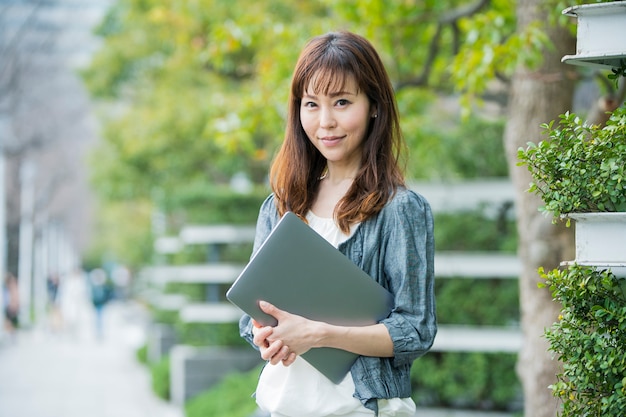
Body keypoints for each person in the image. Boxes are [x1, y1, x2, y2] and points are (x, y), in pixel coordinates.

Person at [238, 31, 436, 417]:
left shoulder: (400, 210)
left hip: (359, 407)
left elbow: (415, 330)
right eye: (311, 104)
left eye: (342, 102)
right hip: (280, 406)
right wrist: (265, 336)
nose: (325, 122)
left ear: (374, 105)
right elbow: (252, 316)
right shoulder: (281, 206)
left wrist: (320, 335)